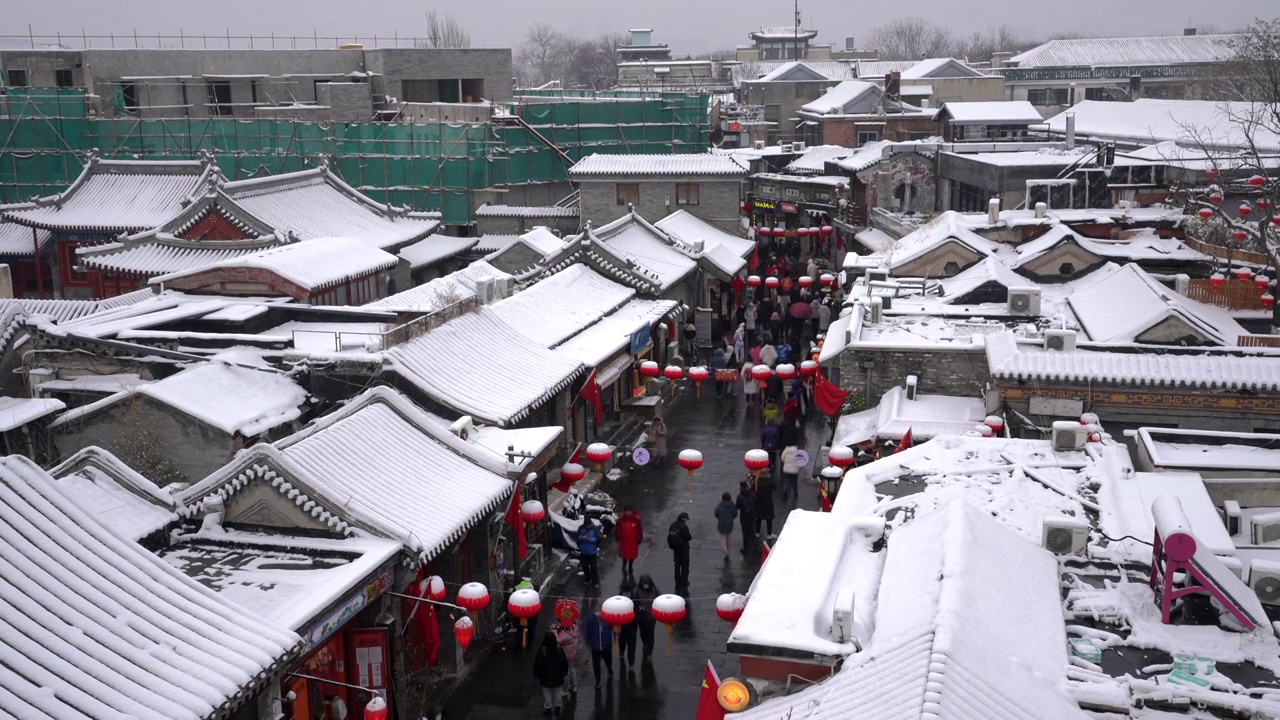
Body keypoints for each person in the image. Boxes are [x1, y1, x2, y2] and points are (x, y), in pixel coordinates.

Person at [533, 630, 569, 716]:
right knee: (557, 692)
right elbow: (564, 662)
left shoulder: (542, 650)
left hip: (545, 677)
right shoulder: (559, 649)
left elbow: (538, 663)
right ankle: (557, 707)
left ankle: (548, 709)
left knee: (547, 693)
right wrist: (565, 672)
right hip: (558, 676)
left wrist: (536, 673)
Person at [632, 574, 660, 662]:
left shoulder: (655, 590)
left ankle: (649, 653)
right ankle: (645, 645)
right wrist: (642, 609)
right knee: (643, 634)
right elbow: (635, 605)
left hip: (651, 618)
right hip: (641, 618)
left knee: (650, 636)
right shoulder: (636, 592)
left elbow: (660, 601)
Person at [584, 607, 614, 687]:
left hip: (606, 646)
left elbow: (614, 628)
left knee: (608, 660)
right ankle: (598, 681)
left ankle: (610, 669)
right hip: (596, 647)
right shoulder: (590, 621)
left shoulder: (608, 619)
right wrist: (589, 642)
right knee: (596, 664)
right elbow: (587, 632)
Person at [554, 616, 580, 694]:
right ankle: (574, 685)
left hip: (566, 654)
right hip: (572, 653)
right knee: (571, 669)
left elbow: (559, 641)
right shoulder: (573, 629)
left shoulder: (566, 634)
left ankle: (566, 689)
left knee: (566, 672)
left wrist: (555, 632)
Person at [617, 577, 639, 667]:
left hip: (626, 625)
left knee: (626, 642)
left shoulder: (619, 598)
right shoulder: (634, 597)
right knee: (631, 643)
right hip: (629, 625)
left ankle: (627, 657)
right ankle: (630, 662)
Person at [616, 506, 642, 577]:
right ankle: (624, 565)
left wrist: (639, 538)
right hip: (624, 541)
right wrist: (617, 537)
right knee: (624, 555)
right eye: (626, 511)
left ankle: (630, 566)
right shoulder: (621, 520)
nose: (628, 513)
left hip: (632, 541)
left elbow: (639, 530)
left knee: (631, 555)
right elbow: (618, 529)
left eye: (629, 511)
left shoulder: (636, 520)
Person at [667, 512, 693, 586]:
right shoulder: (684, 527)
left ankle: (677, 580)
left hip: (676, 548)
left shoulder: (673, 524)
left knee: (677, 564)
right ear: (684, 518)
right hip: (683, 549)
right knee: (685, 565)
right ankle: (684, 581)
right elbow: (688, 537)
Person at [736, 481, 758, 554]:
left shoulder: (740, 496)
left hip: (744, 516)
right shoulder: (752, 494)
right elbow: (756, 502)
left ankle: (746, 549)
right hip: (752, 515)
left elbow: (737, 506)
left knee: (745, 533)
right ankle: (755, 546)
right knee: (752, 530)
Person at [577, 521, 601, 588]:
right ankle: (587, 580)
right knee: (585, 567)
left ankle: (595, 582)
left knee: (593, 567)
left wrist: (590, 539)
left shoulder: (595, 529)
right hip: (583, 551)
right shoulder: (581, 528)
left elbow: (597, 539)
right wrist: (582, 538)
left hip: (592, 552)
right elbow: (578, 537)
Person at [714, 491, 738, 557]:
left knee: (722, 536)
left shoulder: (720, 505)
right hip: (729, 523)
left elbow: (716, 513)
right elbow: (735, 514)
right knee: (728, 536)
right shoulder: (732, 505)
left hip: (721, 523)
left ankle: (725, 550)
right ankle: (728, 548)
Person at [756, 474, 777, 538]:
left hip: (759, 501)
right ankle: (769, 533)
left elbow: (754, 490)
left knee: (758, 518)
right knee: (769, 518)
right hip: (768, 502)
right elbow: (774, 487)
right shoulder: (769, 481)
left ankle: (757, 532)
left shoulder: (757, 481)